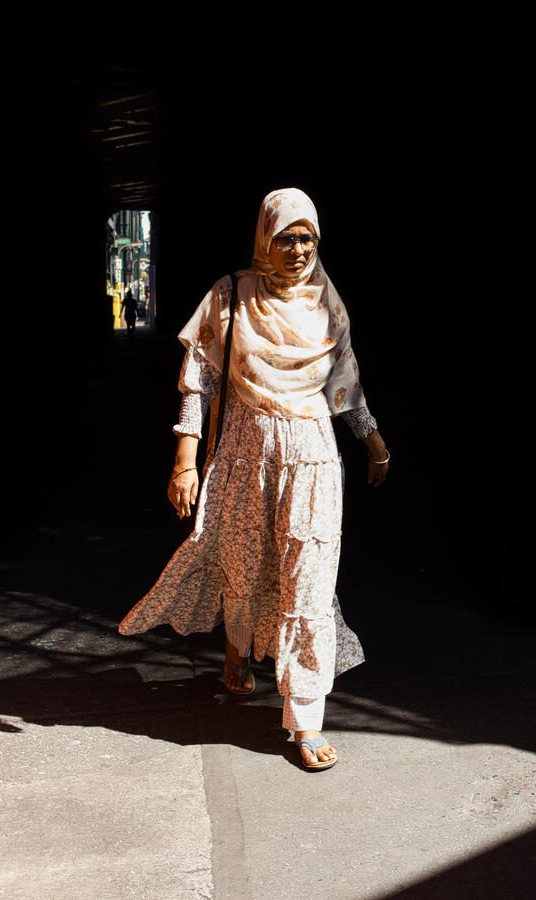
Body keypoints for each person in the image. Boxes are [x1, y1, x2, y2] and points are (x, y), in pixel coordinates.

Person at [118, 188, 389, 770]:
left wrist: (374, 444)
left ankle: (304, 718)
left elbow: (345, 384)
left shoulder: (326, 302)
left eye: (308, 237)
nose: (298, 249)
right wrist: (184, 462)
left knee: (308, 581)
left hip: (313, 456)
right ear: (265, 238)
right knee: (246, 562)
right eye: (286, 237)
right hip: (245, 451)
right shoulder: (230, 295)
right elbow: (199, 382)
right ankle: (238, 652)